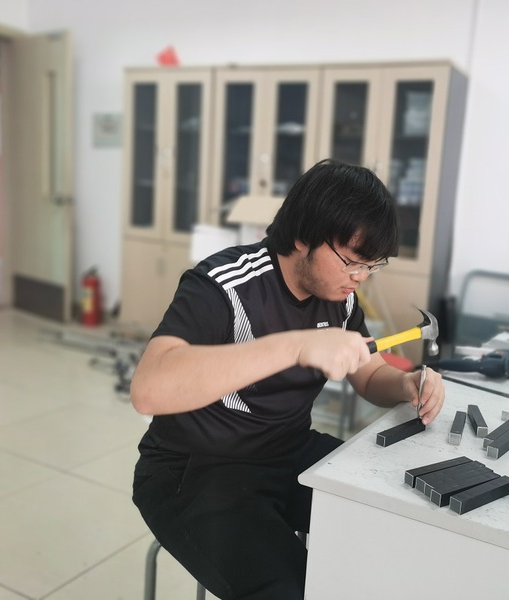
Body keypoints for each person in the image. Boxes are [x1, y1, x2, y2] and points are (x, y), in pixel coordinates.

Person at [130, 159, 445, 600]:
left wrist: (406, 384)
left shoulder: (339, 297)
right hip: (196, 469)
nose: (359, 278)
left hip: (287, 450)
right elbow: (149, 390)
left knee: (396, 519)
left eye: (372, 265)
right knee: (291, 591)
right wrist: (296, 346)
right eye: (352, 262)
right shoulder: (225, 285)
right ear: (302, 237)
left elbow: (369, 371)